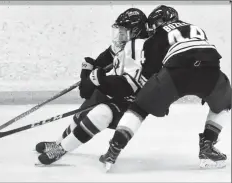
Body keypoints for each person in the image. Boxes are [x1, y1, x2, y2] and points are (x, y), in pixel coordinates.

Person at [98, 5, 231, 171]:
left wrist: (144, 96)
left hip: (177, 72)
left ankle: (113, 150)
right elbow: (201, 50)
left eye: (155, 23)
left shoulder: (155, 38)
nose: (153, 27)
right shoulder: (196, 28)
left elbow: (148, 74)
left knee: (138, 108)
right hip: (211, 70)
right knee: (224, 103)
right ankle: (208, 145)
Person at [35, 8, 149, 165]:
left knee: (101, 114)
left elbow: (135, 80)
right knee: (84, 111)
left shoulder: (145, 48)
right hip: (114, 90)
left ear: (136, 31)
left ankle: (61, 150)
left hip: (131, 98)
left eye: (124, 31)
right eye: (119, 30)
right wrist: (88, 73)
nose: (120, 35)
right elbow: (93, 77)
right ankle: (58, 143)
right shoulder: (121, 46)